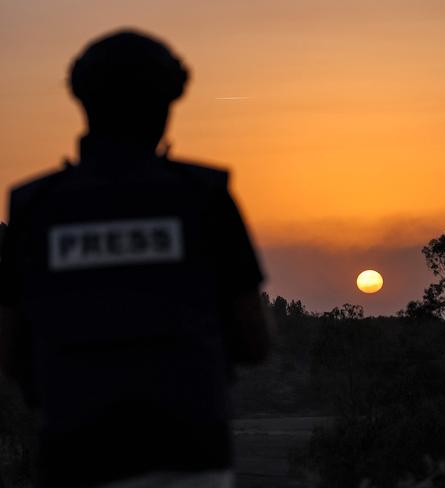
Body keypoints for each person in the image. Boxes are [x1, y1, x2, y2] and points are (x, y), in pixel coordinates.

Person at [0, 29, 269, 488]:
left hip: (75, 455)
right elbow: (253, 341)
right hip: (192, 456)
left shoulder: (33, 209)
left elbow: (8, 347)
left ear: (83, 103)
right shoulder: (204, 197)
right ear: (168, 106)